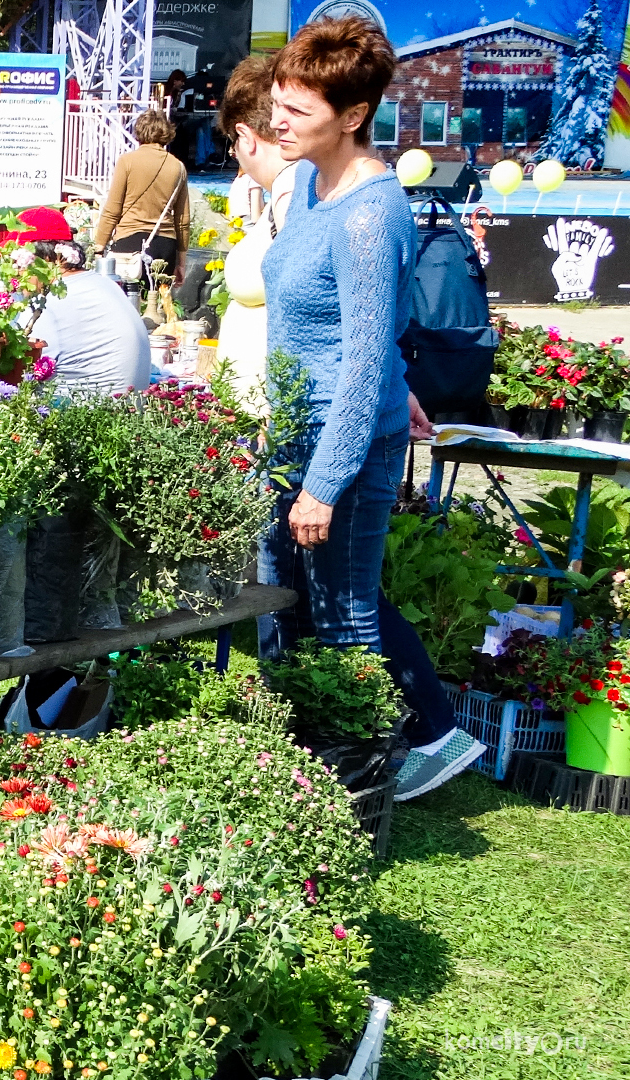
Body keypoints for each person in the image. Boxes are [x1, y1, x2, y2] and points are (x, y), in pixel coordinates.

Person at [258, 15, 482, 801]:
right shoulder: (317, 183)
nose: (276, 120)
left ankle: (364, 774)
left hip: (341, 441)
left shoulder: (367, 213)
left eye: (297, 109)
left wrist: (323, 483)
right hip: (302, 428)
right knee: (283, 594)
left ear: (353, 116)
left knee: (345, 611)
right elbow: (366, 326)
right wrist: (400, 379)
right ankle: (301, 751)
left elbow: (356, 363)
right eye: (278, 103)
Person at [213, 52, 299, 411]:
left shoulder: (293, 191)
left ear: (245, 137)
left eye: (232, 147)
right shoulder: (286, 190)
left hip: (275, 413)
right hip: (262, 408)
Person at [18, 207, 152, 391]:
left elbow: (18, 367)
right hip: (124, 409)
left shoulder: (47, 303)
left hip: (83, 413)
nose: (13, 275)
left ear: (49, 258)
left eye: (18, 262)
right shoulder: (102, 284)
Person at [95, 109, 190, 286]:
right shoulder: (178, 167)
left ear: (139, 132)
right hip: (165, 244)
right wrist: (181, 263)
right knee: (157, 304)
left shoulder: (127, 161)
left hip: (130, 241)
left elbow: (112, 210)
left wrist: (99, 247)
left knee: (127, 301)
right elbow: (182, 220)